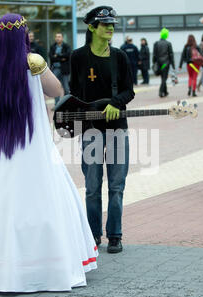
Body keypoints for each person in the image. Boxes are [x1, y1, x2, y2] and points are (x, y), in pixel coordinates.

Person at [0, 13, 98, 293]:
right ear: (23, 35)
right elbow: (57, 90)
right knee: (41, 203)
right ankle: (43, 267)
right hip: (31, 148)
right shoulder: (34, 63)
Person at [70, 6, 135, 254]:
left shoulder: (119, 57)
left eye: (112, 25)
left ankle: (115, 235)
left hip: (117, 129)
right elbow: (73, 93)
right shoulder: (78, 57)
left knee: (117, 186)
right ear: (91, 27)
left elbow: (129, 91)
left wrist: (115, 103)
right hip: (90, 131)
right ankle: (93, 236)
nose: (110, 28)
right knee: (92, 186)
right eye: (104, 24)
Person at [49, 32, 71, 104]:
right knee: (56, 87)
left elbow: (68, 55)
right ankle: (57, 103)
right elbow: (51, 57)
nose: (57, 38)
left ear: (62, 38)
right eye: (56, 37)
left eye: (59, 37)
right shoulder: (52, 47)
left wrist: (57, 55)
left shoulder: (66, 46)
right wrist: (62, 58)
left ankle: (66, 103)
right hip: (55, 69)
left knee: (66, 88)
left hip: (64, 70)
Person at [153, 28, 175, 98]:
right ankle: (161, 91)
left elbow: (154, 54)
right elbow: (171, 54)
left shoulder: (156, 43)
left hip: (159, 63)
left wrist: (154, 63)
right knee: (164, 78)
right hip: (166, 63)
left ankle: (165, 92)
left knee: (163, 77)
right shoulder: (168, 43)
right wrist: (173, 64)